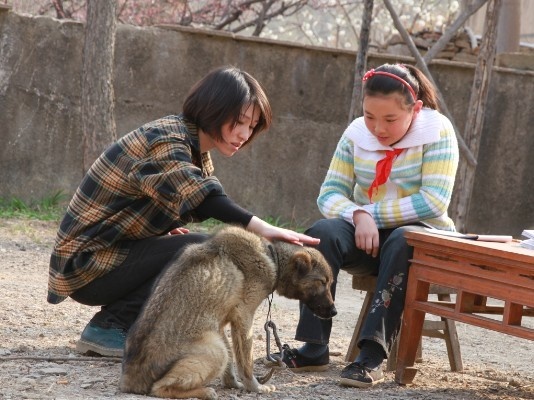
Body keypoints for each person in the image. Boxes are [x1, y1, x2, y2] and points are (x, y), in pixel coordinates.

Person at [47, 66, 319, 358]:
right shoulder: (166, 137)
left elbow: (190, 195)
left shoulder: (195, 149)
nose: (244, 133)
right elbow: (202, 197)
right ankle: (110, 327)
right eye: (239, 121)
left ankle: (126, 326)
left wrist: (162, 232)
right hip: (87, 265)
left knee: (192, 242)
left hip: (106, 258)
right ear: (213, 108)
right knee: (206, 248)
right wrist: (261, 227)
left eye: (251, 126)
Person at [274, 63, 459, 388]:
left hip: (422, 240)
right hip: (368, 236)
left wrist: (371, 215)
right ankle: (314, 347)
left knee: (404, 238)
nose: (377, 127)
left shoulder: (437, 132)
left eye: (390, 119)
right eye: (370, 116)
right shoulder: (356, 134)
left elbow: (433, 201)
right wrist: (359, 216)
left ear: (415, 109)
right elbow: (329, 194)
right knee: (322, 234)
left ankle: (370, 355)